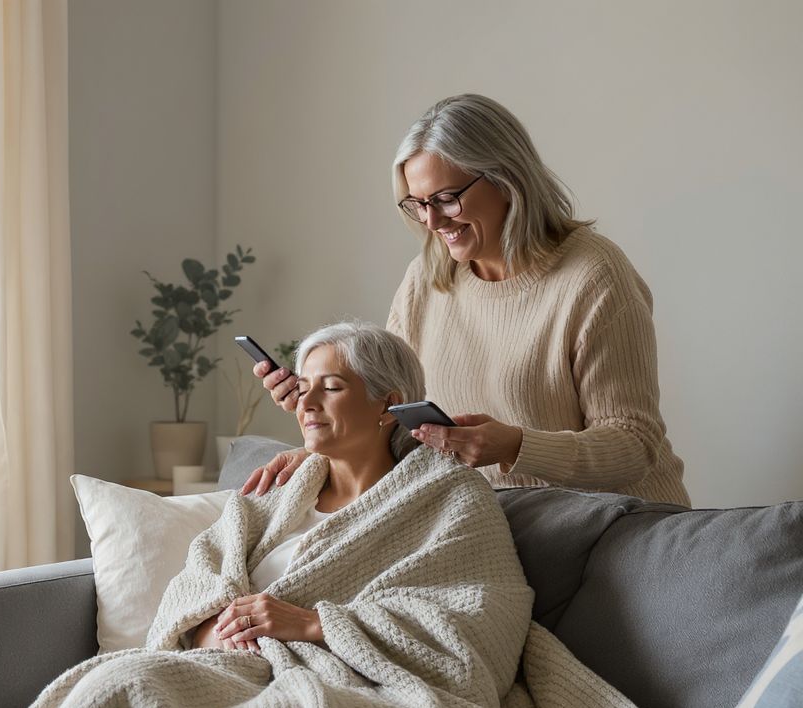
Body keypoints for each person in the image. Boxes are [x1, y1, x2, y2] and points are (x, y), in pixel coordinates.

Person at [0, 322, 704, 708]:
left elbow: (475, 626)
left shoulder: (448, 495)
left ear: (387, 402)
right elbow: (202, 573)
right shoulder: (277, 494)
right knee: (113, 684)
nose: (303, 400)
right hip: (231, 666)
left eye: (329, 387)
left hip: (355, 688)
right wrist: (214, 629)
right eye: (301, 387)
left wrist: (309, 623)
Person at [250, 93, 691, 507]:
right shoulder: (426, 278)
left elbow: (634, 443)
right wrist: (324, 419)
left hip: (616, 526)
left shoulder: (593, 276)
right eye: (417, 204)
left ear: (507, 180)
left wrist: (516, 446)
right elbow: (395, 424)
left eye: (445, 199)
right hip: (495, 523)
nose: (432, 221)